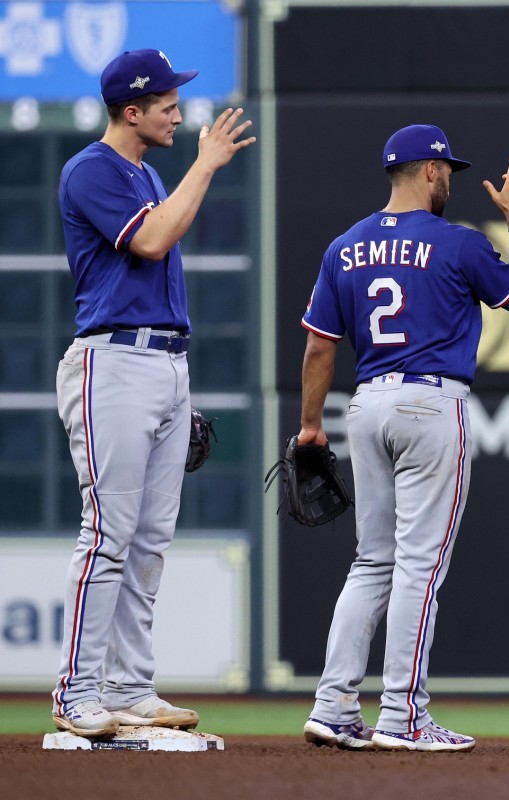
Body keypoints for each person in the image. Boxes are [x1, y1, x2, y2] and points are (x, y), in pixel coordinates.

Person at [297, 125, 509, 752]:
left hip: (367, 403)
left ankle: (332, 705)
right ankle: (403, 713)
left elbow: (320, 345)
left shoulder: (344, 247)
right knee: (420, 567)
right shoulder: (458, 242)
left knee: (371, 561)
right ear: (430, 171)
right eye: (447, 170)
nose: (451, 180)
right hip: (430, 403)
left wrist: (309, 424)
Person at [51, 49, 255, 738]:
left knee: (149, 539)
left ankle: (129, 686)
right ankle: (75, 692)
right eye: (166, 101)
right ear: (131, 111)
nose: (178, 109)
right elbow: (154, 240)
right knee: (108, 533)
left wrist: (174, 381)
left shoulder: (145, 171)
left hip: (163, 359)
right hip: (112, 359)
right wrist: (206, 164)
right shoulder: (92, 170)